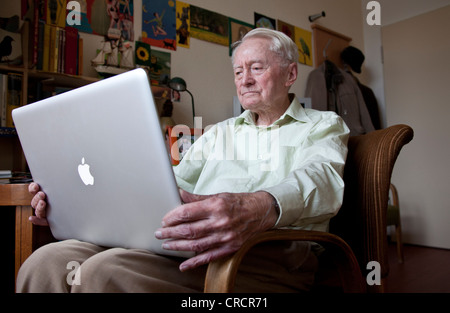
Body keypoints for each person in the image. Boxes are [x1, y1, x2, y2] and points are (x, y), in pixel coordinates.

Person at [17, 28, 350, 293]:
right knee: (45, 262)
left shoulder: (322, 125)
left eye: (257, 68)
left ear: (290, 74)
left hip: (271, 254)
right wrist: (80, 205)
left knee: (103, 273)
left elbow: (321, 179)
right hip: (193, 244)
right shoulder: (219, 133)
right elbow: (173, 186)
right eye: (237, 71)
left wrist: (259, 206)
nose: (244, 79)